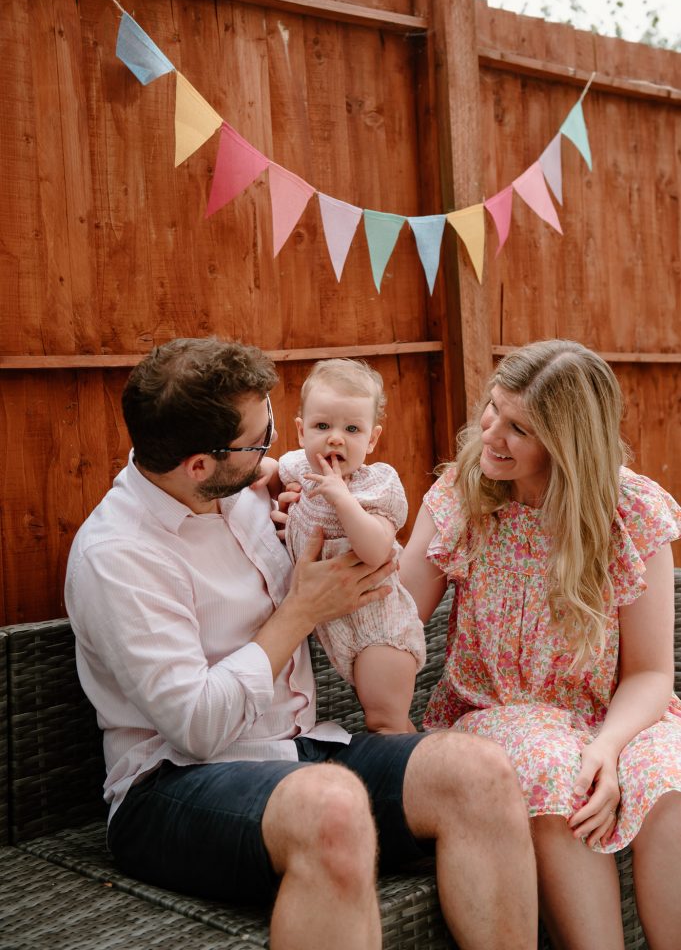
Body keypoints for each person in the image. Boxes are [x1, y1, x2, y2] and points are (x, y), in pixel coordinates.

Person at [64, 336, 538, 950]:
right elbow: (197, 728)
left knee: (477, 769)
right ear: (199, 464)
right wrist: (302, 610)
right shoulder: (118, 557)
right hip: (170, 787)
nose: (275, 453)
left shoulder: (236, 492)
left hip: (297, 752)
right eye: (259, 442)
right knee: (333, 807)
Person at [400, 338, 681, 950]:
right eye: (493, 410)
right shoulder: (460, 497)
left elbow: (653, 673)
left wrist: (608, 746)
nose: (491, 434)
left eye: (519, 427)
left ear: (567, 440)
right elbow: (394, 623)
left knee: (671, 776)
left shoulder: (630, 510)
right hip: (498, 717)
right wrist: (336, 516)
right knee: (560, 775)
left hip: (608, 714)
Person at [270, 358, 426, 734]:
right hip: (335, 626)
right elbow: (269, 471)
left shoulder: (377, 486)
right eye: (322, 426)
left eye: (351, 429)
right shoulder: (298, 469)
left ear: (371, 439)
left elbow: (375, 551)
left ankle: (420, 780)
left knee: (385, 723)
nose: (335, 438)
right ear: (301, 431)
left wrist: (342, 499)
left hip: (380, 630)